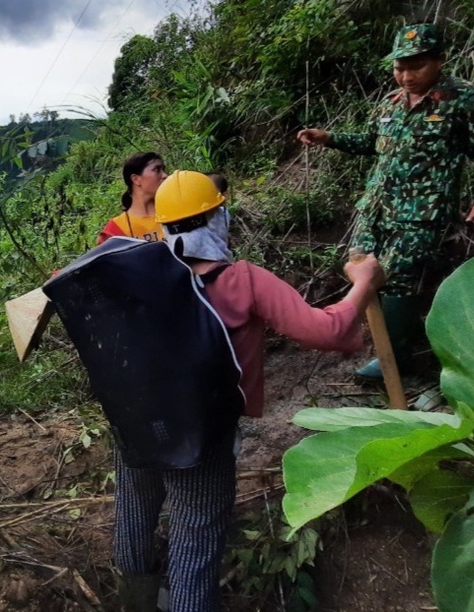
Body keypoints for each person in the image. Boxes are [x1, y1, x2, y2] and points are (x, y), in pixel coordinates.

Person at [111, 171, 385, 611]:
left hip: (134, 418)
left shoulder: (141, 273)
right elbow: (327, 330)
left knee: (135, 507)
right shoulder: (242, 279)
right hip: (200, 432)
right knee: (196, 532)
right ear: (217, 218)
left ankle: (135, 598)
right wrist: (363, 282)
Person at [297, 23, 474, 379]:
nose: (406, 76)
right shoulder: (390, 103)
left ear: (439, 61)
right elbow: (371, 142)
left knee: (399, 281)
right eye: (399, 68)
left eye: (416, 66)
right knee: (362, 269)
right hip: (376, 208)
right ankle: (385, 347)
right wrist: (329, 138)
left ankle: (397, 360)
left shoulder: (462, 98)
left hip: (422, 214)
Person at [97, 152, 168, 245]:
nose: (165, 175)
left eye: (164, 169)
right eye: (157, 170)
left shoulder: (176, 214)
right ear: (136, 179)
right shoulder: (115, 230)